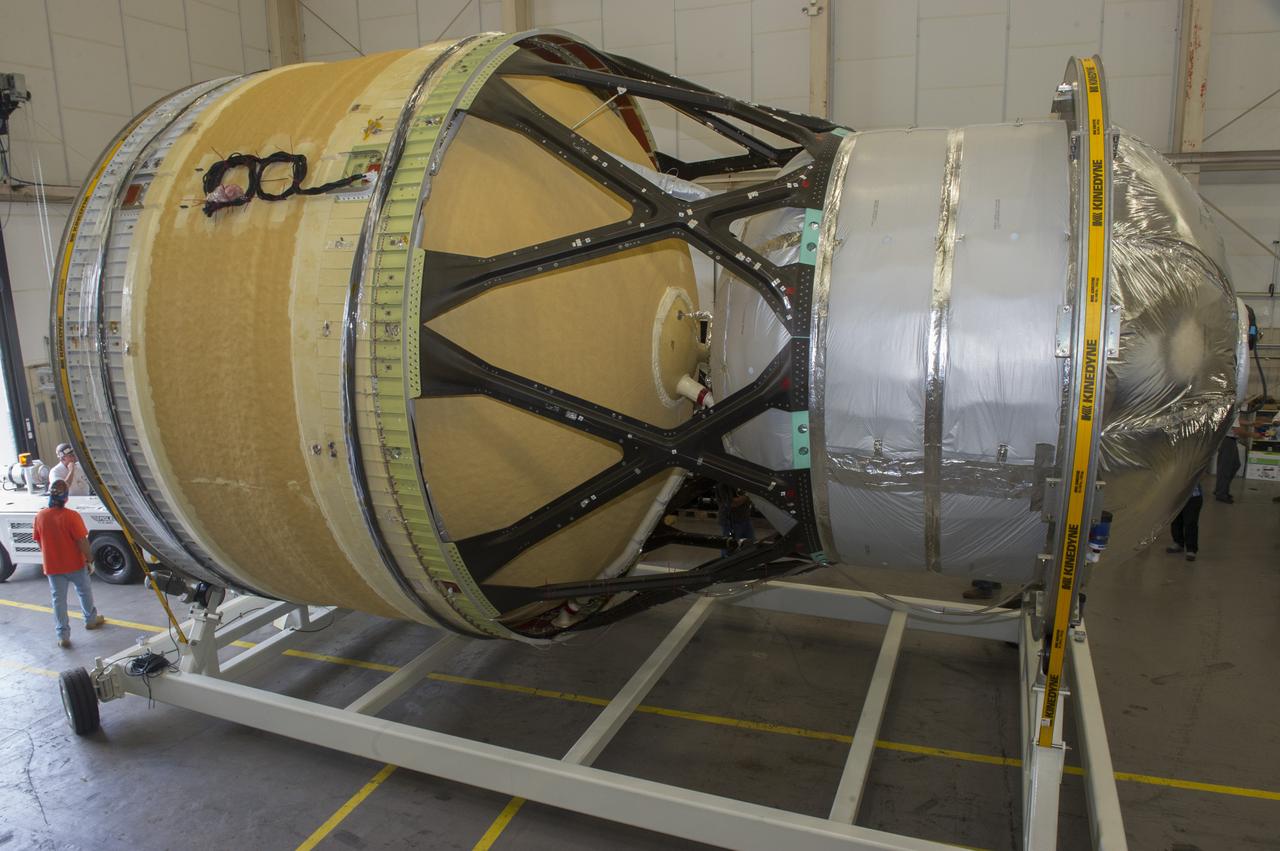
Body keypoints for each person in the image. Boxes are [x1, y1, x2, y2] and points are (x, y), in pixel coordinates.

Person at [33, 479, 105, 647]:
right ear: (66, 498)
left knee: (58, 600)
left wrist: (51, 555)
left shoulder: (40, 516)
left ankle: (63, 635)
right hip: (75, 565)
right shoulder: (72, 516)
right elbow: (82, 541)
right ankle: (91, 620)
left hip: (53, 567)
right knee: (84, 592)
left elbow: (38, 541)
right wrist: (90, 559)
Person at [1167, 481, 1203, 562]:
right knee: (1176, 520)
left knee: (1190, 522)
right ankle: (1178, 543)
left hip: (1193, 496)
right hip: (1176, 495)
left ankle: (1191, 549)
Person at [715, 482, 754, 551]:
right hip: (731, 522)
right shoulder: (723, 483)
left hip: (745, 519)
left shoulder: (739, 480)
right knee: (730, 548)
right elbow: (732, 503)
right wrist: (748, 496)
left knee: (750, 546)